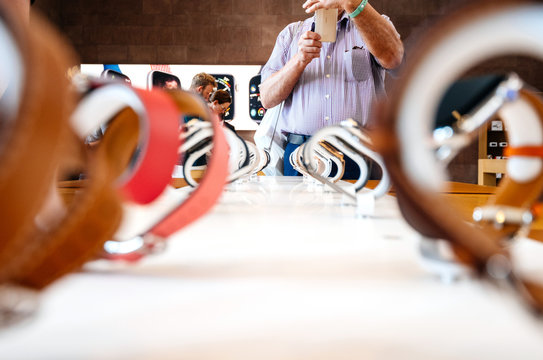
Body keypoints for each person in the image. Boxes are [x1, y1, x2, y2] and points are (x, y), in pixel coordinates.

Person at [259, 0, 404, 178]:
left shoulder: (372, 23)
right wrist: (299, 60)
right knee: (297, 206)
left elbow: (395, 60)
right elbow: (266, 98)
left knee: (361, 206)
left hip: (359, 151)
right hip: (300, 155)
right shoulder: (291, 34)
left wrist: (353, 4)